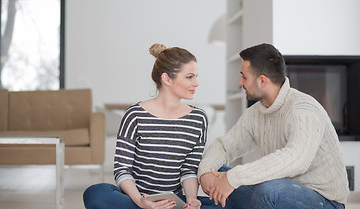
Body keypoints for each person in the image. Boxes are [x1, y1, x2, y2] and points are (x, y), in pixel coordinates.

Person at [198, 43, 349, 209]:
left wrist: (234, 178)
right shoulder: (256, 113)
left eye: (244, 76)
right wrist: (206, 172)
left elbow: (296, 160)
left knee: (267, 191)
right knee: (218, 172)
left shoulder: (303, 109)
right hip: (277, 194)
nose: (240, 82)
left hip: (324, 200)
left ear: (262, 81)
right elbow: (225, 147)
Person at [83, 43, 224, 209]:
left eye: (196, 76)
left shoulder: (198, 119)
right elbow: (122, 170)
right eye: (189, 77)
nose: (196, 83)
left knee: (225, 204)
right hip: (136, 198)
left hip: (174, 201)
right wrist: (141, 202)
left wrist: (192, 198)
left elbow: (189, 169)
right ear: (166, 79)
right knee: (95, 194)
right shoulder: (135, 115)